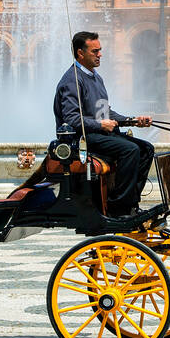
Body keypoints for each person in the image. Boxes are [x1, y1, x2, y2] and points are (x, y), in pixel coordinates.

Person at [54, 31, 154, 216]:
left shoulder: (95, 77)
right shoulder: (72, 80)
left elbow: (104, 112)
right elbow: (71, 119)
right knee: (130, 150)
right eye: (95, 51)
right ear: (80, 53)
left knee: (147, 149)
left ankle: (132, 202)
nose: (100, 54)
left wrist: (132, 120)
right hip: (83, 138)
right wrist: (100, 126)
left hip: (98, 134)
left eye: (100, 50)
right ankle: (118, 207)